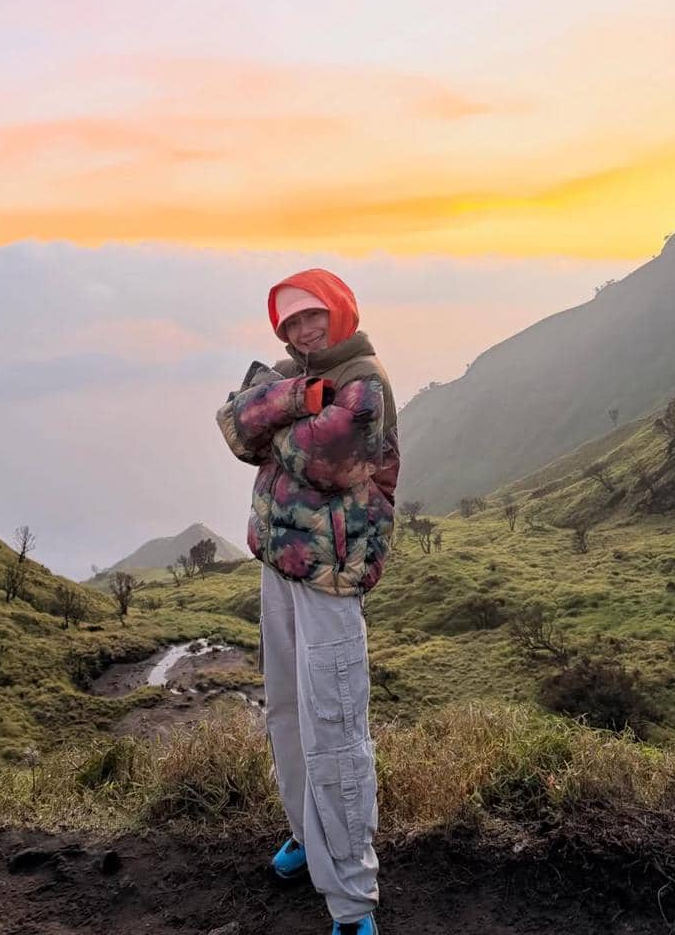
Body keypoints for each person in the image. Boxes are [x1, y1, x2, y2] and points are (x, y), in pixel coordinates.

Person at [216, 268, 399, 935]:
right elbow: (234, 427)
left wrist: (276, 426)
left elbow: (331, 460)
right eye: (290, 322)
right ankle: (308, 838)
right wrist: (298, 399)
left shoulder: (365, 380)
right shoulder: (300, 376)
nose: (303, 330)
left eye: (312, 316)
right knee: (288, 712)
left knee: (335, 726)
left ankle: (352, 900)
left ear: (340, 310)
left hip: (329, 579)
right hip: (280, 566)